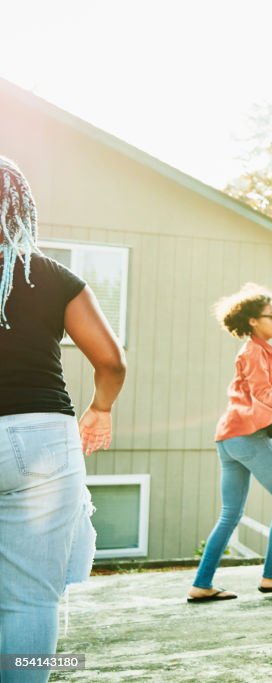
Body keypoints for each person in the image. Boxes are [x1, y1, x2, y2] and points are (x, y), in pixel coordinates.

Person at [0, 156, 127, 682]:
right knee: (31, 599)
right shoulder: (51, 275)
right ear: (21, 208)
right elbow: (112, 362)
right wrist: (100, 409)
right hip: (44, 439)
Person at [187, 283, 272, 603]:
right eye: (271, 315)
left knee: (230, 514)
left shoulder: (260, 351)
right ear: (253, 321)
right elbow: (264, 397)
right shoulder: (253, 351)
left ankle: (201, 583)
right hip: (246, 437)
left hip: (229, 437)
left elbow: (259, 400)